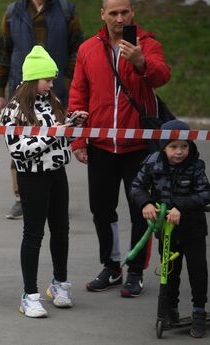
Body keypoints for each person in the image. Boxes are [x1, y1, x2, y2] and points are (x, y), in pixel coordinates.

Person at [68, 0, 171, 297]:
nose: (119, 17)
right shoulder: (88, 49)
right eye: (113, 13)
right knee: (101, 209)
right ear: (102, 15)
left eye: (124, 12)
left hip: (139, 146)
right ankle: (112, 266)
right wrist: (78, 140)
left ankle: (136, 271)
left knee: (142, 210)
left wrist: (141, 62)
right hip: (101, 145)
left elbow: (162, 76)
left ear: (132, 13)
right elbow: (78, 95)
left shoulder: (147, 44)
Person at [0, 45, 87, 318]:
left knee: (61, 230)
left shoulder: (53, 102)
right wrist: (54, 133)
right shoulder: (13, 110)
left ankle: (59, 285)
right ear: (33, 79)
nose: (52, 83)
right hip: (32, 178)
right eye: (47, 79)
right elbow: (18, 150)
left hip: (57, 175)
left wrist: (73, 125)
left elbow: (63, 140)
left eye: (52, 79)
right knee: (34, 235)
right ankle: (29, 295)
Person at [0, 0, 83, 220]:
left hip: (54, 90)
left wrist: (67, 84)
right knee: (22, 144)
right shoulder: (14, 11)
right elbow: (3, 52)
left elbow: (77, 51)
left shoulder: (66, 10)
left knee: (54, 137)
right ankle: (21, 198)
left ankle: (53, 195)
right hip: (21, 88)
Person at [130, 120, 210, 338]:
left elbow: (205, 193)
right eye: (173, 146)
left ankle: (199, 311)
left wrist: (180, 207)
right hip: (166, 229)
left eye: (184, 146)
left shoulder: (195, 165)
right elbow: (136, 186)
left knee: (197, 269)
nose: (179, 151)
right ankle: (169, 310)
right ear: (163, 146)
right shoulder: (153, 163)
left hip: (192, 227)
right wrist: (146, 202)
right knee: (169, 271)